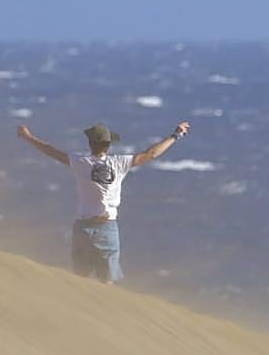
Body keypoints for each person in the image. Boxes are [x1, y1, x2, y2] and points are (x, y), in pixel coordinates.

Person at [16, 120, 191, 283]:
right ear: (108, 145)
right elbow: (151, 154)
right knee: (106, 282)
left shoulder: (80, 162)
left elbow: (51, 151)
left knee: (79, 280)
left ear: (90, 144)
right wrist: (175, 135)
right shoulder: (119, 163)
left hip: (82, 228)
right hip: (106, 228)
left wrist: (28, 137)